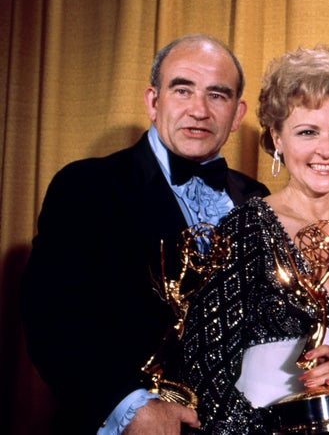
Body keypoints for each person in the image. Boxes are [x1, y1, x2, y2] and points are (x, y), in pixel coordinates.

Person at [20, 34, 270, 434]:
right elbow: (52, 319)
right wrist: (129, 406)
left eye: (217, 95)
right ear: (153, 102)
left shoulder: (256, 198)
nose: (199, 110)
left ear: (237, 113)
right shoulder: (88, 186)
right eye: (182, 89)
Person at [178, 45, 329, 434]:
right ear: (277, 138)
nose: (327, 150)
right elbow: (205, 367)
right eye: (307, 132)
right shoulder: (246, 227)